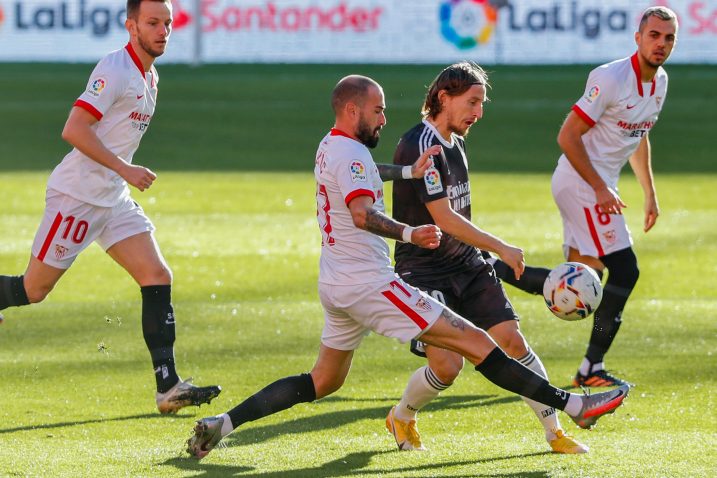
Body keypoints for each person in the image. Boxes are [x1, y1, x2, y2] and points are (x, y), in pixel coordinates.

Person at [185, 75, 629, 460]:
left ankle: (222, 424)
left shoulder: (332, 146)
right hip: (370, 283)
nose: (383, 118)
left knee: (322, 380)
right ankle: (574, 407)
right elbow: (362, 213)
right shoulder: (355, 154)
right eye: (378, 111)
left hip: (336, 283)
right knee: (474, 342)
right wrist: (409, 233)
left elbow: (361, 172)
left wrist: (405, 172)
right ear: (353, 109)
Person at [0, 0, 220, 414]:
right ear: (131, 25)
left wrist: (120, 175)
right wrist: (125, 168)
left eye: (168, 23)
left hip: (112, 198)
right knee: (34, 289)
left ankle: (167, 386)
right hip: (77, 198)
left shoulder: (150, 77)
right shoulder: (115, 69)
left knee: (156, 275)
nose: (163, 31)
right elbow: (73, 128)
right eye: (153, 23)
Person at [384, 62, 587, 455]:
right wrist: (501, 247)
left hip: (465, 264)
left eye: (482, 103)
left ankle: (554, 432)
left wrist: (482, 252)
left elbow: (456, 218)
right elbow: (443, 217)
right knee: (447, 367)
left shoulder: (455, 142)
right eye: (472, 102)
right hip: (423, 271)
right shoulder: (418, 145)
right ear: (444, 97)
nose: (478, 112)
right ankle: (402, 415)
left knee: (512, 340)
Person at [552, 6, 677, 388]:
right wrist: (600, 187)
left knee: (584, 275)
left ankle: (491, 266)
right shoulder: (609, 78)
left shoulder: (660, 82)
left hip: (598, 185)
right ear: (637, 38)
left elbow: (639, 135)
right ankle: (592, 368)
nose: (661, 44)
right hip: (581, 183)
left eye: (669, 38)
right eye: (654, 35)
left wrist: (649, 193)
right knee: (626, 270)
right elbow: (567, 137)